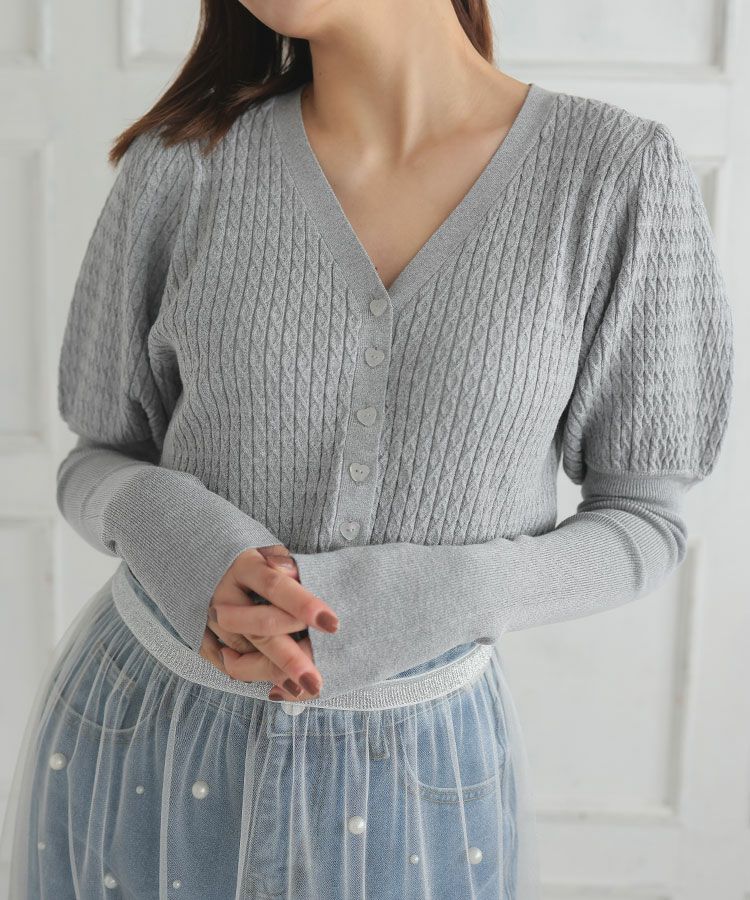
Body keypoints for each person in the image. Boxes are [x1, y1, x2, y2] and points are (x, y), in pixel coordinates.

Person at [0, 0, 735, 897]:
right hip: (145, 743)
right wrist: (178, 532)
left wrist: (443, 595)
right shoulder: (184, 160)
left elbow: (645, 521)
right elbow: (96, 459)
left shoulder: (614, 175)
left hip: (416, 781)